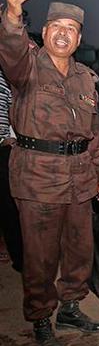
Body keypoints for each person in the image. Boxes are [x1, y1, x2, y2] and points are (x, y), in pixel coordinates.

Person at [0, 0, 99, 346]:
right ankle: (41, 319)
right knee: (40, 255)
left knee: (80, 250)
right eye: (57, 27)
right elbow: (11, 47)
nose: (64, 34)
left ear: (78, 38)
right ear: (45, 33)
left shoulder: (85, 79)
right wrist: (12, 13)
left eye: (72, 29)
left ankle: (71, 308)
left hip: (80, 176)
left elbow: (94, 132)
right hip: (38, 176)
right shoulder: (27, 67)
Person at [0, 66, 22, 272]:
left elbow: (12, 109)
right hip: (5, 146)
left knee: (9, 207)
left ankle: (19, 257)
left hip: (7, 147)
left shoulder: (7, 78)